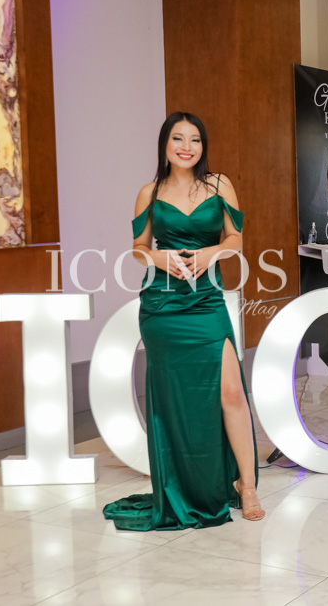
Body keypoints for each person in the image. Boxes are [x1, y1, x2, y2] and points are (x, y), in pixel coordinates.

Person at [104, 112, 263, 530]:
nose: (186, 147)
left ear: (203, 146)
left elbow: (236, 239)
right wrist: (160, 258)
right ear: (165, 144)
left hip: (207, 299)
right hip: (162, 305)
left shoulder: (219, 185)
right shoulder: (149, 193)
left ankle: (247, 486)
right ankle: (181, 485)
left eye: (195, 140)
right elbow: (139, 248)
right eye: (178, 138)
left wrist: (210, 253)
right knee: (174, 400)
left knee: (231, 391)